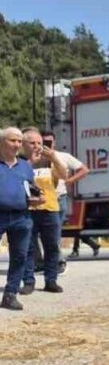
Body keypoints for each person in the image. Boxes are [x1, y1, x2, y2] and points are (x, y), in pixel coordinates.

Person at [39, 131, 98, 268]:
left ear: (55, 142)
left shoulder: (63, 156)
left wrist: (69, 181)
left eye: (50, 141)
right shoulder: (37, 157)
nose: (47, 144)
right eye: (44, 141)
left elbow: (84, 169)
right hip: (41, 200)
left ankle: (58, 262)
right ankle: (41, 262)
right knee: (39, 233)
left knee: (55, 232)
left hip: (59, 198)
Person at [20, 128, 67, 294]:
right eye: (32, 143)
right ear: (23, 145)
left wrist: (54, 157)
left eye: (39, 143)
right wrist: (31, 162)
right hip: (28, 211)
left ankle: (51, 280)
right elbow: (19, 178)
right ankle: (28, 281)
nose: (37, 146)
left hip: (50, 209)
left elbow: (64, 175)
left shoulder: (50, 162)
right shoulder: (19, 163)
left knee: (52, 246)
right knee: (28, 248)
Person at [0, 127, 39, 310]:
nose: (17, 145)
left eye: (19, 141)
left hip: (21, 217)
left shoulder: (25, 166)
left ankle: (10, 295)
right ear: (2, 142)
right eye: (12, 140)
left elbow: (32, 188)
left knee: (20, 257)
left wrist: (37, 199)